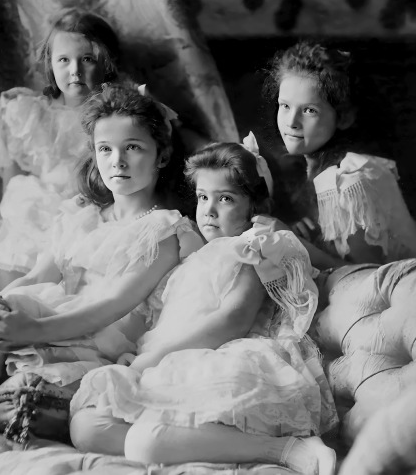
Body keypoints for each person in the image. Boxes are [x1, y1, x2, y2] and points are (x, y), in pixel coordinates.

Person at [0, 84, 203, 475]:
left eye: (133, 147)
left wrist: (32, 329)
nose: (117, 161)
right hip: (54, 319)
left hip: (99, 338)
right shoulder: (81, 214)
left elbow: (109, 308)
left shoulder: (165, 231)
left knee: (14, 310)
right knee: (1, 308)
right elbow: (39, 275)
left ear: (162, 155)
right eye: (105, 149)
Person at [68, 140, 338, 475]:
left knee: (145, 442)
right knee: (86, 426)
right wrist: (140, 354)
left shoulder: (251, 248)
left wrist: (154, 357)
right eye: (202, 197)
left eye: (225, 198)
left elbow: (233, 319)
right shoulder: (190, 260)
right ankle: (193, 444)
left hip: (222, 357)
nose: (209, 209)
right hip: (171, 362)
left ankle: (286, 450)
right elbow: (168, 321)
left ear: (253, 206)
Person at [0, 6, 126, 290]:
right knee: (13, 294)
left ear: (106, 62)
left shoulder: (119, 116)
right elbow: (10, 184)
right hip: (33, 217)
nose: (74, 71)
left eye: (86, 59)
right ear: (50, 63)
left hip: (91, 217)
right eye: (63, 60)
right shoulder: (25, 111)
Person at [264, 40, 416, 265]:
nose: (291, 122)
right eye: (285, 106)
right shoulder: (297, 170)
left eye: (309, 110)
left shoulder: (351, 181)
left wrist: (293, 243)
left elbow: (367, 279)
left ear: (345, 117)